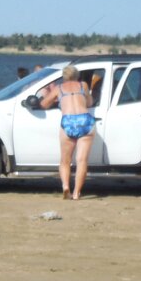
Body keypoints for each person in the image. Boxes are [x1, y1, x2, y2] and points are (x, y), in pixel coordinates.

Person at [40, 65, 94, 200]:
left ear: (64, 77)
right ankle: (76, 193)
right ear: (78, 76)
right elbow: (90, 102)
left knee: (65, 160)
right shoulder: (84, 85)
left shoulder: (59, 88)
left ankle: (65, 187)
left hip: (68, 121)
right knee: (81, 160)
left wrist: (56, 101)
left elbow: (43, 104)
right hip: (84, 120)